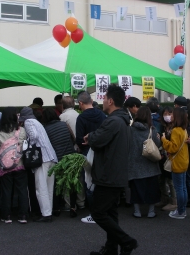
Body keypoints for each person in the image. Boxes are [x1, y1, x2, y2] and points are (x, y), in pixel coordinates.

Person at [83, 84, 138, 255]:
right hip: (116, 173)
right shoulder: (122, 120)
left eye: (105, 98)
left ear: (111, 101)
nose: (103, 100)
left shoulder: (113, 121)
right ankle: (111, 248)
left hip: (109, 174)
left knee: (98, 213)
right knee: (111, 213)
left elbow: (98, 139)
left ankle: (127, 241)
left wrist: (90, 136)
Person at [19, 107, 58, 222]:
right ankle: (48, 211)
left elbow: (34, 136)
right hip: (51, 156)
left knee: (41, 188)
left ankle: (46, 214)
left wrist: (29, 145)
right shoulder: (37, 122)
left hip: (42, 158)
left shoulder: (28, 122)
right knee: (49, 187)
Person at [75, 91, 106, 224]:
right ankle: (103, 212)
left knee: (88, 182)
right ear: (91, 101)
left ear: (81, 103)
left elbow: (79, 139)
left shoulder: (81, 118)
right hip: (103, 152)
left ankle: (94, 214)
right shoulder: (102, 115)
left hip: (87, 152)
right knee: (101, 182)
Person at [0, 107, 28, 224]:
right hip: (19, 164)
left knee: (6, 190)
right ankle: (22, 215)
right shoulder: (21, 130)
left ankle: (6, 216)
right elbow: (24, 146)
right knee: (22, 189)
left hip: (4, 167)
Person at [42, 108, 77, 217]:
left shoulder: (45, 129)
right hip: (70, 156)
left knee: (57, 183)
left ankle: (56, 208)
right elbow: (73, 138)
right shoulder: (64, 124)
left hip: (57, 157)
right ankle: (73, 207)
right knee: (71, 182)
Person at [128, 106, 161, 218]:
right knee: (151, 189)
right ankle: (151, 212)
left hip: (135, 164)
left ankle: (137, 211)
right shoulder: (152, 129)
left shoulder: (130, 130)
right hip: (150, 163)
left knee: (136, 189)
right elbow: (158, 145)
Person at [161, 107, 189, 219]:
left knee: (179, 188)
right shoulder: (184, 129)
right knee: (183, 188)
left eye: (173, 115)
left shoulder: (176, 130)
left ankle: (180, 211)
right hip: (184, 160)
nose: (170, 116)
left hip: (177, 162)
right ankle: (183, 209)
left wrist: (163, 139)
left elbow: (173, 148)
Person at [157, 106, 176, 210]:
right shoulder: (161, 126)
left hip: (172, 156)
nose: (167, 116)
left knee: (170, 180)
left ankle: (174, 202)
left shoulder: (177, 127)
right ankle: (164, 199)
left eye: (169, 113)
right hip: (163, 155)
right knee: (161, 179)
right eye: (165, 114)